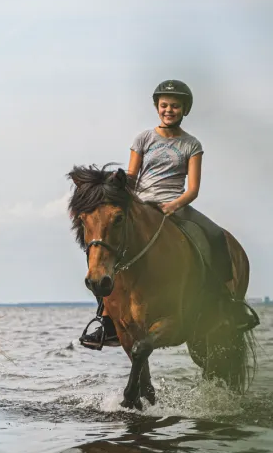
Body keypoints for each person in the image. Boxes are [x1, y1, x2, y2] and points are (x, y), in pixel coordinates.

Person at [79, 79, 260, 348]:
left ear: (184, 109)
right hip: (140, 206)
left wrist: (175, 205)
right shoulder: (143, 138)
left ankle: (228, 305)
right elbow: (131, 177)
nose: (169, 110)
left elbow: (194, 188)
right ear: (157, 107)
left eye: (175, 106)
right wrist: (117, 184)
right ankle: (106, 320)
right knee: (106, 246)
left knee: (214, 235)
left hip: (176, 205)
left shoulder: (191, 144)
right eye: (164, 105)